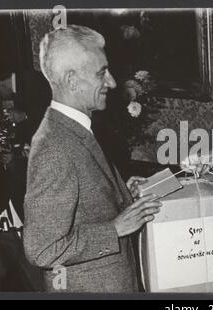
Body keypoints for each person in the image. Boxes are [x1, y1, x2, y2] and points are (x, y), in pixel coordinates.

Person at [23, 25, 162, 292]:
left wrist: (123, 194)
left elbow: (84, 204)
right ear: (72, 81)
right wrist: (116, 229)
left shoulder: (75, 127)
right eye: (102, 73)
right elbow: (41, 248)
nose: (111, 82)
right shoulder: (54, 146)